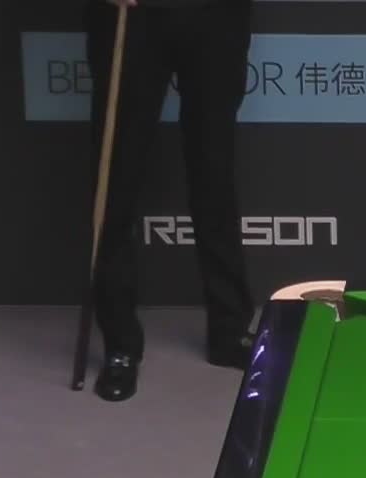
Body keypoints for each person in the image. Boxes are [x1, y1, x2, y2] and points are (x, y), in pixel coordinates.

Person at [85, 0, 256, 402]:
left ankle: (229, 331)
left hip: (216, 15)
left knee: (214, 171)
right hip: (134, 14)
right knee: (117, 179)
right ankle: (120, 345)